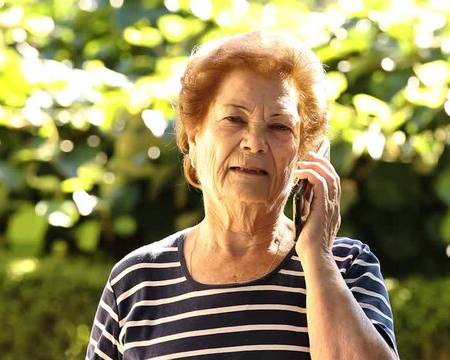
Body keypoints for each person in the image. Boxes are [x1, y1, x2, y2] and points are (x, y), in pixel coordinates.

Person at [87, 30, 398, 360]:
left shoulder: (346, 266)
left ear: (306, 154)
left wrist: (317, 257)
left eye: (279, 127)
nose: (254, 142)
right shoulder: (136, 282)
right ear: (194, 137)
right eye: (234, 119)